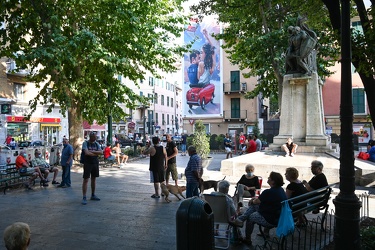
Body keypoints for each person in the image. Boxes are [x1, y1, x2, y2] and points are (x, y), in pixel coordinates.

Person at [232, 172, 287, 245]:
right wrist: (254, 200)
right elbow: (261, 201)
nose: (268, 178)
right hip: (278, 216)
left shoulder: (268, 192)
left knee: (251, 217)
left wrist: (252, 200)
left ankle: (247, 238)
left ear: (273, 181)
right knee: (253, 206)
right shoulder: (280, 190)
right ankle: (240, 219)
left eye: (269, 177)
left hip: (270, 218)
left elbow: (256, 202)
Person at [81, 132, 103, 205]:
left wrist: (92, 152)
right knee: (86, 179)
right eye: (94, 137)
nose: (96, 138)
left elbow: (101, 152)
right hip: (88, 163)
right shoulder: (85, 143)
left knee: (94, 179)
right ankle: (84, 197)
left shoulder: (96, 144)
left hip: (95, 163)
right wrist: (96, 153)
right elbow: (86, 153)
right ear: (91, 137)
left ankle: (93, 194)